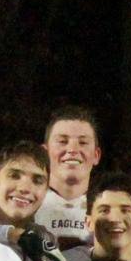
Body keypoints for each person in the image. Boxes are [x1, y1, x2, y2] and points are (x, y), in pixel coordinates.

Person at [35, 106, 104, 247]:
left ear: (96, 155)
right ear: (44, 153)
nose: (73, 149)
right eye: (62, 141)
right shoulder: (24, 202)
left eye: (83, 142)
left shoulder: (110, 209)